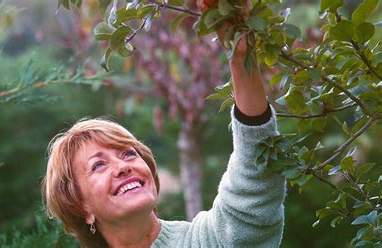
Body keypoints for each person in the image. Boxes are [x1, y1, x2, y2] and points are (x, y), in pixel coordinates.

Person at [42, 17, 286, 248]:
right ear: (81, 206)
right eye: (98, 165)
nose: (122, 167)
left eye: (128, 154)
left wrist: (240, 58)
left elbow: (256, 173)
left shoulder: (204, 241)